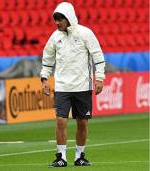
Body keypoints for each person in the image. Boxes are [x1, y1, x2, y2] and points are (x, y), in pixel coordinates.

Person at [40, 2, 105, 167]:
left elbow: (98, 56)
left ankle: (79, 156)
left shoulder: (85, 33)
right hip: (62, 86)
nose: (57, 23)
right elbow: (47, 58)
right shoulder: (55, 37)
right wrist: (44, 78)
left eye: (60, 19)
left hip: (83, 86)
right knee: (60, 121)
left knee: (82, 122)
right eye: (55, 19)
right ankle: (61, 157)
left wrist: (100, 78)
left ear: (69, 18)